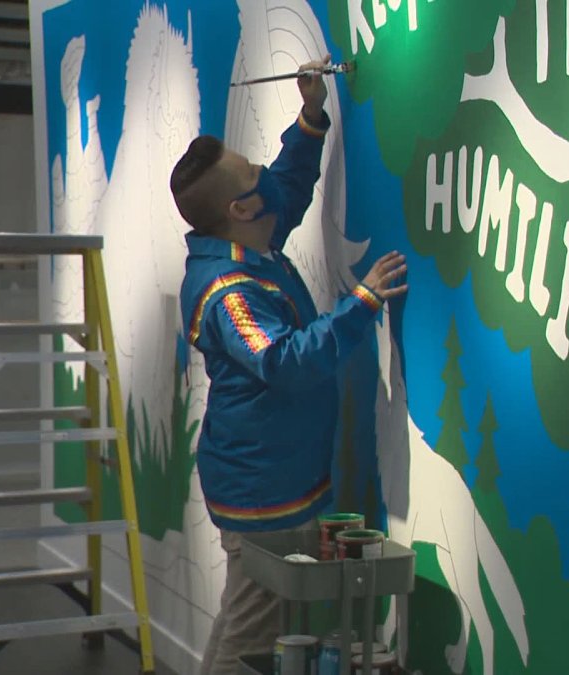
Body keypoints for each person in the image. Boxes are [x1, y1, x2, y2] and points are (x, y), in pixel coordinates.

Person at [169, 57, 407, 674]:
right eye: (252, 173)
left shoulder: (248, 239)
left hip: (271, 480)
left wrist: (310, 116)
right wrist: (363, 304)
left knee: (245, 616)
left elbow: (288, 187)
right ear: (240, 210)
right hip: (263, 496)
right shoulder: (230, 291)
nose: (264, 176)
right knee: (251, 635)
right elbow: (282, 360)